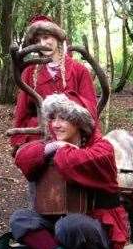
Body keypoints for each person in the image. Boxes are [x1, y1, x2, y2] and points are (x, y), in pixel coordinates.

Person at [6, 93, 128, 249]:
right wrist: (54, 145)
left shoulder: (102, 148)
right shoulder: (53, 145)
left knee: (68, 226)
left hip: (98, 229)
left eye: (63, 118)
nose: (55, 124)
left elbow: (71, 163)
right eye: (52, 118)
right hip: (58, 224)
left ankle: (50, 247)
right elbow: (23, 157)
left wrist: (60, 148)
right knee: (20, 219)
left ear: (79, 121)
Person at [11, 15, 100, 153]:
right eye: (37, 40)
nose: (43, 43)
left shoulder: (79, 70)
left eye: (46, 37)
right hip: (40, 139)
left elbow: (91, 109)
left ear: (56, 37)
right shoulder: (29, 72)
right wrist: (19, 142)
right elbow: (22, 111)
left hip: (73, 138)